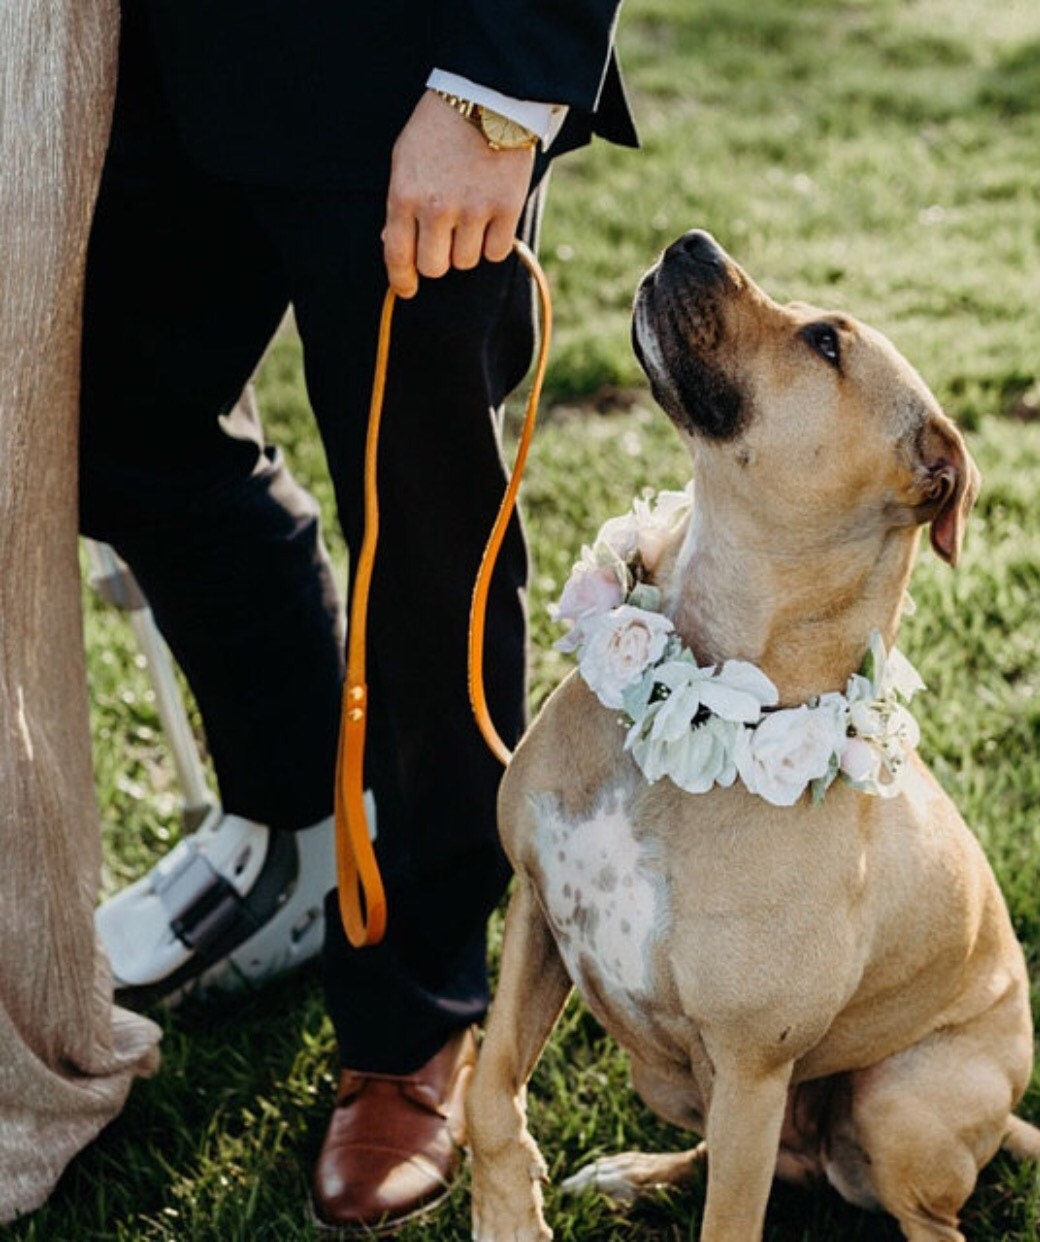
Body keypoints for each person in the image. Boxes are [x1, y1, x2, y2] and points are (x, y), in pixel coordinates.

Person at [78, 0, 636, 1231]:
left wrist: (499, 85)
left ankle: (411, 1010)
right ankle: (303, 826)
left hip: (409, 67)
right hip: (150, 64)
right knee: (110, 432)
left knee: (427, 544)